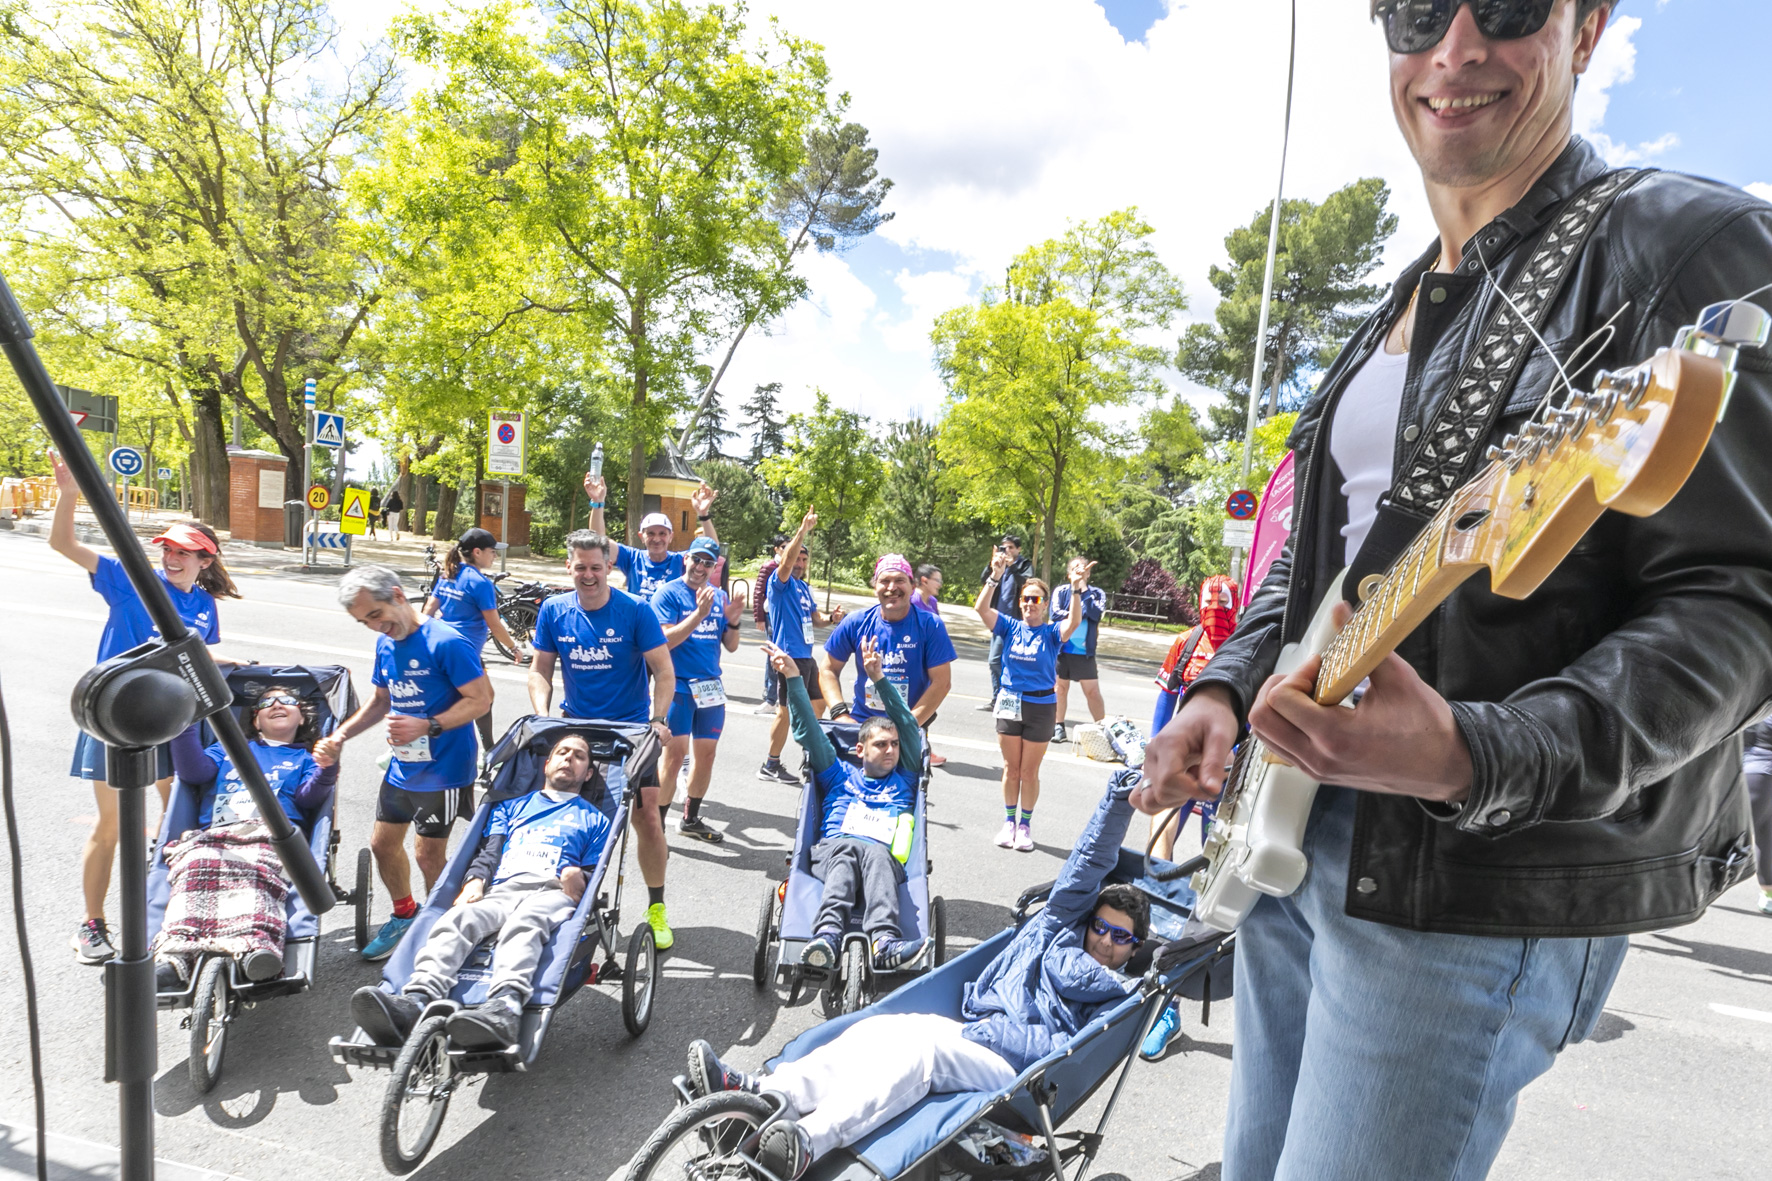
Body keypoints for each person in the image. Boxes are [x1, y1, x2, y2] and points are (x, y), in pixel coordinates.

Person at [1135, 4, 1772, 1178]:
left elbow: (1736, 603)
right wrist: (1226, 690)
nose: (1456, 49)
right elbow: (1326, 569)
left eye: (1512, 8)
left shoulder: (1687, 245)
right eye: (1419, 10)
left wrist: (1477, 753)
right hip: (1294, 831)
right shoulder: (1395, 303)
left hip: (1469, 880)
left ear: (1587, 31)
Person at [684, 778, 1150, 1180]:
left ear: (1134, 947)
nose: (1107, 941)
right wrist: (1118, 794)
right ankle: (760, 1099)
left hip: (1016, 1071)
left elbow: (1070, 1051)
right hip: (974, 1029)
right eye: (1101, 927)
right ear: (1088, 921)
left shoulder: (1117, 994)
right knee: (876, 1028)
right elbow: (1088, 862)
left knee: (923, 1057)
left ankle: (808, 1142)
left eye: (1121, 937)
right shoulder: (1053, 931)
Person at [47, 450, 239, 965]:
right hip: (114, 716)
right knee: (109, 826)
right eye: (168, 549)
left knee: (181, 815)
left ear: (205, 561)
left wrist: (239, 665)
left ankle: (175, 916)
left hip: (169, 719)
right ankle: (92, 925)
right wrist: (68, 496)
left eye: (185, 552)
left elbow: (199, 655)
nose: (172, 558)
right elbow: (62, 544)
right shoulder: (132, 579)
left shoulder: (204, 603)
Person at [350, 732, 611, 1049]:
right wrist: (475, 880)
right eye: (562, 752)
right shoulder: (510, 807)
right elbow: (489, 852)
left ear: (588, 773)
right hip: (504, 886)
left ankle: (505, 1007)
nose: (568, 758)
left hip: (551, 890)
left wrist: (577, 878)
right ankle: (415, 1000)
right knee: (458, 919)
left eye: (579, 756)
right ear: (546, 765)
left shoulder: (595, 819)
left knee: (524, 925)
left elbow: (591, 873)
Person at [318, 565, 492, 961]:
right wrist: (339, 736)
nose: (374, 626)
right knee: (382, 845)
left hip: (446, 767)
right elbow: (381, 701)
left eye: (375, 615)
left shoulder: (448, 642)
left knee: (428, 855)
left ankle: (444, 929)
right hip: (403, 765)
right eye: (363, 622)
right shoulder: (385, 643)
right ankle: (405, 915)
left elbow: (482, 700)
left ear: (398, 595)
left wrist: (427, 724)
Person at [527, 530, 679, 948]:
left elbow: (664, 672)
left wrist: (658, 719)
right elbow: (540, 670)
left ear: (609, 567)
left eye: (597, 567)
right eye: (581, 568)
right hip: (577, 729)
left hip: (630, 731)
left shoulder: (636, 611)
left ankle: (656, 906)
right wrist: (543, 718)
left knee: (647, 816)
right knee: (568, 816)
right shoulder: (554, 610)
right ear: (568, 567)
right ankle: (563, 900)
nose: (589, 575)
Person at [154, 688, 340, 990]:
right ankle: (175, 958)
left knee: (256, 870)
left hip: (272, 837)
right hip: (214, 838)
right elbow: (193, 772)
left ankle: (255, 946)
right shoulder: (226, 749)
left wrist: (327, 768)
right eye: (267, 702)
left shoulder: (304, 758)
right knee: (196, 866)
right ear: (255, 720)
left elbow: (309, 798)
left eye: (288, 701)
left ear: (302, 717)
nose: (277, 704)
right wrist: (183, 723)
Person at [771, 637, 925, 972]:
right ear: (860, 751)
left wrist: (880, 680)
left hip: (883, 861)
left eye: (894, 745)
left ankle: (884, 941)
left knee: (874, 852)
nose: (891, 751)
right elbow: (807, 730)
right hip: (834, 852)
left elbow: (911, 729)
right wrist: (794, 679)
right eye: (881, 745)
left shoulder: (905, 778)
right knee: (846, 850)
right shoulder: (839, 775)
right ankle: (827, 935)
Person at [975, 554, 1086, 851]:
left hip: (1041, 706)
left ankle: (1025, 825)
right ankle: (1008, 822)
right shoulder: (1010, 626)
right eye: (1025, 598)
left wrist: (1076, 588)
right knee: (1011, 769)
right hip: (1011, 702)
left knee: (1028, 772)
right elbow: (981, 608)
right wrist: (995, 577)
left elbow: (1074, 621)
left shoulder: (1051, 632)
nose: (1029, 604)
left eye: (1035, 599)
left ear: (1045, 604)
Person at [818, 554, 954, 767]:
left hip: (907, 731)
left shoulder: (930, 625)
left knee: (901, 796)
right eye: (885, 581)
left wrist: (906, 725)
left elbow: (942, 682)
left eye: (900, 580)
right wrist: (839, 714)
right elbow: (827, 669)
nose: (892, 587)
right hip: (863, 730)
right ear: (875, 587)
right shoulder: (856, 622)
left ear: (912, 585)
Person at [650, 536, 743, 843]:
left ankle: (690, 818)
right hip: (677, 689)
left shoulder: (718, 595)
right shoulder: (668, 594)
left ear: (714, 567)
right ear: (685, 559)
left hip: (710, 690)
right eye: (697, 560)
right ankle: (657, 826)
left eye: (708, 563)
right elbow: (664, 641)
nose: (701, 567)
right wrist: (698, 615)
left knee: (707, 757)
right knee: (674, 759)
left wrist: (734, 622)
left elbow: (729, 646)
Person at [757, 511, 846, 784]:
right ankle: (770, 764)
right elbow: (785, 563)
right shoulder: (779, 583)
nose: (800, 562)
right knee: (784, 713)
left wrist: (831, 618)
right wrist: (803, 531)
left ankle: (811, 757)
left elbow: (814, 619)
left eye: (805, 559)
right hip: (787, 658)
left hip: (806, 658)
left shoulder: (804, 589)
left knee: (817, 707)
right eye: (797, 557)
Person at [423, 527, 529, 749]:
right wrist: (514, 648)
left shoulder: (449, 574)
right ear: (478, 552)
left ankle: (488, 750)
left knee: (484, 697)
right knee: (479, 701)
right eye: (492, 551)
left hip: (443, 649)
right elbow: (494, 624)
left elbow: (427, 613)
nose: (495, 556)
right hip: (464, 652)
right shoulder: (480, 583)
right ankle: (487, 752)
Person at [583, 473, 719, 600]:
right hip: (639, 623)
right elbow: (598, 542)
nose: (657, 539)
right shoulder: (632, 558)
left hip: (670, 623)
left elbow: (711, 549)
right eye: (651, 533)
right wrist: (597, 502)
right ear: (641, 536)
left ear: (671, 536)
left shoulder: (680, 561)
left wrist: (703, 514)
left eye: (662, 534)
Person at [1050, 555, 1108, 743]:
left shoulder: (1096, 593)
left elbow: (1096, 613)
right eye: (1075, 568)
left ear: (1089, 573)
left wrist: (1082, 587)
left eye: (1083, 568)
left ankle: (1102, 728)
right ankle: (1058, 726)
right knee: (1060, 689)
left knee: (1092, 692)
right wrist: (1078, 613)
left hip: (1084, 652)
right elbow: (1055, 614)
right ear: (1068, 573)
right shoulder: (1061, 591)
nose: (1080, 571)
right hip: (1062, 650)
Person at [977, 535, 1031, 708]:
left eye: (1010, 548)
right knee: (995, 660)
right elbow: (983, 580)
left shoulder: (1024, 565)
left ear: (1018, 549)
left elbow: (1026, 584)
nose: (1006, 551)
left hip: (1015, 621)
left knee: (1001, 660)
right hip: (998, 618)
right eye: (1003, 548)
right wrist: (991, 565)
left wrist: (1012, 567)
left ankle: (1010, 694)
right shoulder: (999, 566)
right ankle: (998, 698)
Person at [752, 534, 788, 715]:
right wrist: (759, 616)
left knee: (781, 655)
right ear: (776, 549)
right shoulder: (770, 567)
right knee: (772, 655)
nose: (786, 550)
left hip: (785, 616)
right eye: (783, 547)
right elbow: (759, 592)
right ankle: (770, 698)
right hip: (771, 616)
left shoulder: (791, 566)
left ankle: (776, 697)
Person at [1745, 714, 1772, 916]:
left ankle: (1768, 895)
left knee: (1767, 836)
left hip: (1758, 772)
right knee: (1729, 838)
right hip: (1759, 774)